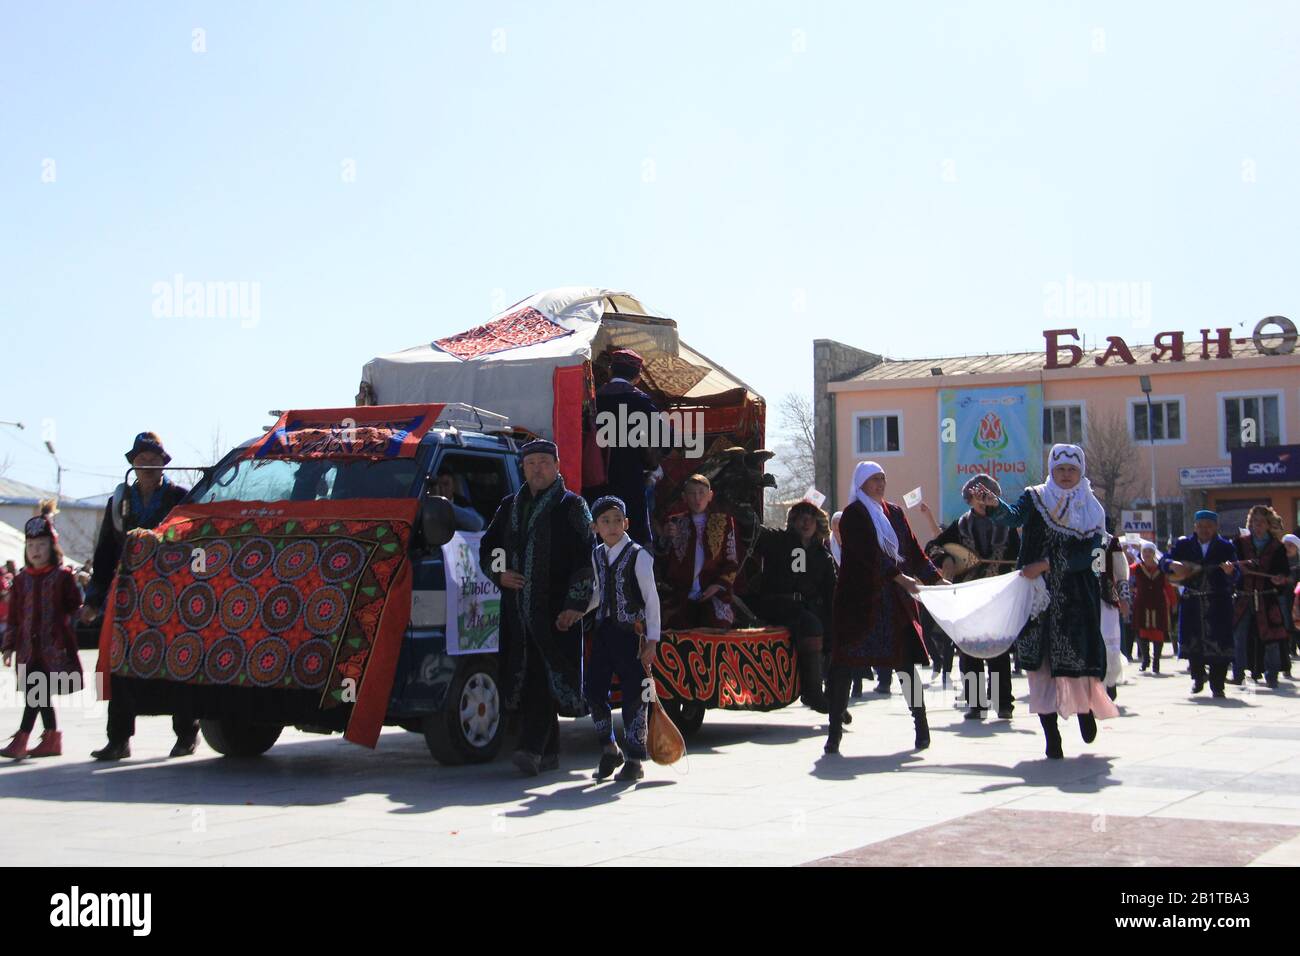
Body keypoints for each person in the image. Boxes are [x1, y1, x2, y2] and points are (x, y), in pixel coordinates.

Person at [973, 444, 1119, 759]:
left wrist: (1048, 564)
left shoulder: (1093, 511)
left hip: (1076, 598)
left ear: (1081, 472)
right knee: (1039, 668)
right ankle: (1051, 736)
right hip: (1037, 596)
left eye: (1072, 470)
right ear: (1051, 470)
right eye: (1060, 469)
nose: (1065, 476)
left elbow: (1092, 559)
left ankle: (1085, 713)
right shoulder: (1035, 496)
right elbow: (1013, 518)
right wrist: (994, 504)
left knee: (1077, 664)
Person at [479, 439, 594, 776]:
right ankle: (550, 751)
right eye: (531, 464)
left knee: (546, 676)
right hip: (516, 611)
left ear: (557, 466)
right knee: (527, 677)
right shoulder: (509, 506)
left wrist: (576, 604)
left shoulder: (573, 506)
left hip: (556, 612)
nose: (537, 469)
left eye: (544, 462)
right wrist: (500, 573)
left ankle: (530, 749)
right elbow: (489, 546)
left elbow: (586, 557)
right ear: (522, 468)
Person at [84, 432, 196, 761]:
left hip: (170, 596)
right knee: (121, 665)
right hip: (128, 597)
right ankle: (118, 739)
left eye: (153, 459)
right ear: (133, 463)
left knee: (176, 661)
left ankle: (186, 734)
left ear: (163, 463)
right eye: (141, 459)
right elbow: (105, 551)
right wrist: (93, 598)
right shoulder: (119, 502)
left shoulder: (181, 498)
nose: (147, 465)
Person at [825, 461, 944, 755]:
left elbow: (913, 552)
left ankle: (921, 726)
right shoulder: (854, 514)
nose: (880, 484)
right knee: (842, 667)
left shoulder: (895, 513)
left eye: (882, 478)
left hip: (893, 603)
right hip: (860, 603)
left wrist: (936, 579)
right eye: (874, 479)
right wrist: (899, 577)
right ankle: (834, 733)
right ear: (861, 483)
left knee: (905, 666)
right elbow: (866, 555)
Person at [573, 496, 660, 783]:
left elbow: (651, 601)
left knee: (635, 695)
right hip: (604, 632)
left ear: (626, 523)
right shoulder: (597, 554)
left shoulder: (639, 555)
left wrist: (652, 642)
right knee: (594, 691)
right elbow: (599, 592)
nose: (611, 526)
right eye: (604, 521)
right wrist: (576, 612)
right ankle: (609, 748)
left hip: (631, 635)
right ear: (595, 526)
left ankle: (635, 759)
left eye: (616, 520)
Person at [924, 475, 1021, 720]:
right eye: (977, 496)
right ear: (969, 499)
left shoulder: (1008, 526)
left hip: (997, 596)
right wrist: (946, 559)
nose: (982, 501)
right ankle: (976, 704)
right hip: (967, 597)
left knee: (998, 649)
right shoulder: (961, 525)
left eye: (987, 496)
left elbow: (1020, 557)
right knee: (969, 650)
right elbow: (933, 547)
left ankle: (1003, 703)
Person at [1, 507, 83, 760]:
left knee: (37, 690)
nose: (36, 550)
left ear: (53, 547)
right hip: (28, 648)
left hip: (53, 647)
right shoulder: (22, 580)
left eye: (42, 544)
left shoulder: (62, 577)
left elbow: (74, 605)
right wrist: (8, 646)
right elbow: (13, 617)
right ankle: (51, 738)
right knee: (39, 692)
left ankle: (23, 738)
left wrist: (68, 621)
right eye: (31, 545)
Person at [753, 500, 835, 714]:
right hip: (779, 605)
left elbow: (830, 591)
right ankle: (814, 693)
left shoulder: (823, 556)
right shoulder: (779, 541)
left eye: (810, 518)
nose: (806, 523)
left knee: (831, 629)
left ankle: (835, 697)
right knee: (812, 625)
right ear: (793, 521)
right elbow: (755, 532)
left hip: (808, 608)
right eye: (801, 518)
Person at [590, 348, 663, 547]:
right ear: (638, 377)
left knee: (599, 539)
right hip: (631, 482)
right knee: (636, 539)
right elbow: (665, 437)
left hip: (596, 482)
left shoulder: (595, 400)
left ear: (611, 371)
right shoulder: (641, 401)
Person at [1160, 510, 1237, 698]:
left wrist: (1230, 571)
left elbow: (1237, 572)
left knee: (1219, 644)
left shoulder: (1225, 546)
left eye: (1209, 526)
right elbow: (1163, 560)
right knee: (1193, 643)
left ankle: (1218, 685)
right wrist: (1171, 564)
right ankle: (1198, 677)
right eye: (1200, 526)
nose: (1204, 530)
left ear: (1216, 527)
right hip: (1192, 601)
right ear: (1195, 526)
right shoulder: (1185, 544)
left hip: (1218, 602)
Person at [656, 474, 739, 629]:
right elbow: (662, 558)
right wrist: (664, 537)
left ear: (710, 495)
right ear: (684, 497)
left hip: (713, 593)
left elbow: (731, 561)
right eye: (692, 493)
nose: (697, 498)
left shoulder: (724, 521)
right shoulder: (675, 522)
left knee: (716, 625)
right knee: (673, 628)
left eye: (701, 493)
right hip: (680, 594)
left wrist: (718, 585)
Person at [1230, 505, 1290, 689]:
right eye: (1255, 522)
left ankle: (1272, 675)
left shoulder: (1277, 547)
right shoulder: (1240, 543)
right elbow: (1233, 566)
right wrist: (1237, 568)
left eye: (1262, 522)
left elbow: (1284, 573)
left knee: (1270, 637)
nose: (1258, 526)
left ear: (1268, 524)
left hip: (1267, 597)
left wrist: (1280, 579)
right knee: (1239, 635)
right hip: (1244, 596)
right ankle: (1238, 673)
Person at [1130, 541, 1176, 673]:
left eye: (1150, 552)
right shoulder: (1136, 568)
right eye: (1145, 552)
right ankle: (1145, 659)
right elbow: (1124, 572)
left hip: (1158, 603)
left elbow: (1168, 586)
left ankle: (1156, 662)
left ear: (1154, 553)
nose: (1147, 554)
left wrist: (1173, 602)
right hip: (1142, 603)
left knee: (1158, 633)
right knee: (1142, 631)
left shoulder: (1161, 569)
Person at [1098, 526, 1130, 701]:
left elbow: (1121, 572)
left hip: (1106, 599)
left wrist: (1124, 599)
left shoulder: (1109, 541)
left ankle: (1110, 682)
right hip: (1081, 599)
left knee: (1109, 643)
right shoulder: (1072, 535)